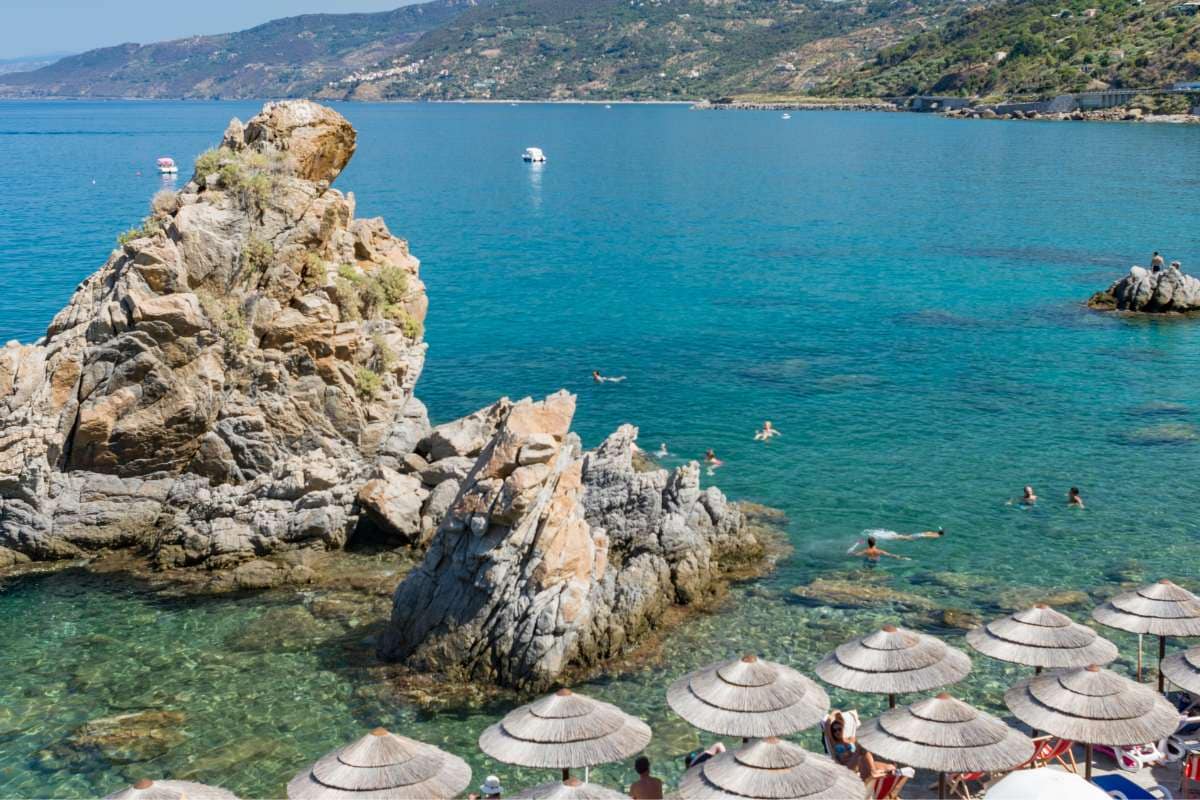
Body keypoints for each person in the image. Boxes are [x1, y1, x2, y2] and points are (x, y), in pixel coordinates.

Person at [827, 711, 911, 782]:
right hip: (848, 767)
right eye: (834, 730)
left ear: (843, 728)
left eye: (839, 729)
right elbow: (828, 722)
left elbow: (859, 735)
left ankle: (877, 772)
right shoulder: (834, 743)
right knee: (861, 747)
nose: (837, 732)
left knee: (891, 767)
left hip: (858, 764)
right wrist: (834, 714)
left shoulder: (851, 739)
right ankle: (874, 772)